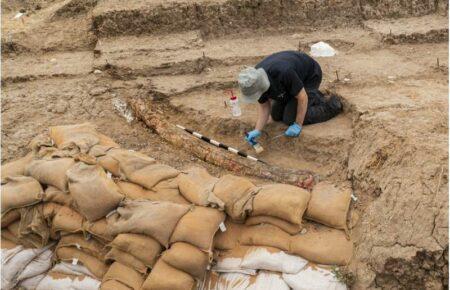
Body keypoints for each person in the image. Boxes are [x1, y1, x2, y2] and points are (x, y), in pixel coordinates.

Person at [238, 50, 342, 146]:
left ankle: (331, 105)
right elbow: (264, 106)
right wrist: (257, 130)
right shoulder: (254, 80)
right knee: (276, 115)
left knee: (289, 118)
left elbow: (302, 97)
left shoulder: (282, 72)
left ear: (262, 86)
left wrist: (298, 125)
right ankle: (309, 96)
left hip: (309, 76)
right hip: (290, 82)